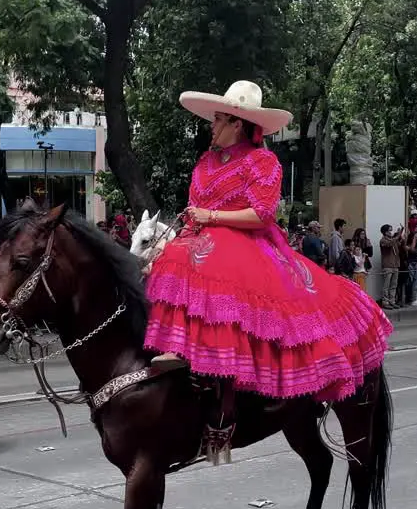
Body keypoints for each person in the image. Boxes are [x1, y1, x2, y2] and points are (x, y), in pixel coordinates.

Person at [143, 80, 392, 403]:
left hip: (247, 241)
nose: (212, 126)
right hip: (204, 236)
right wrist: (194, 223)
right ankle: (179, 348)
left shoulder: (262, 162)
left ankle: (218, 366)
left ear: (238, 124)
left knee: (196, 260)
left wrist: (212, 217)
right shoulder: (205, 162)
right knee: (169, 256)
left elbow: (261, 214)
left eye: (218, 119)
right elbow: (195, 209)